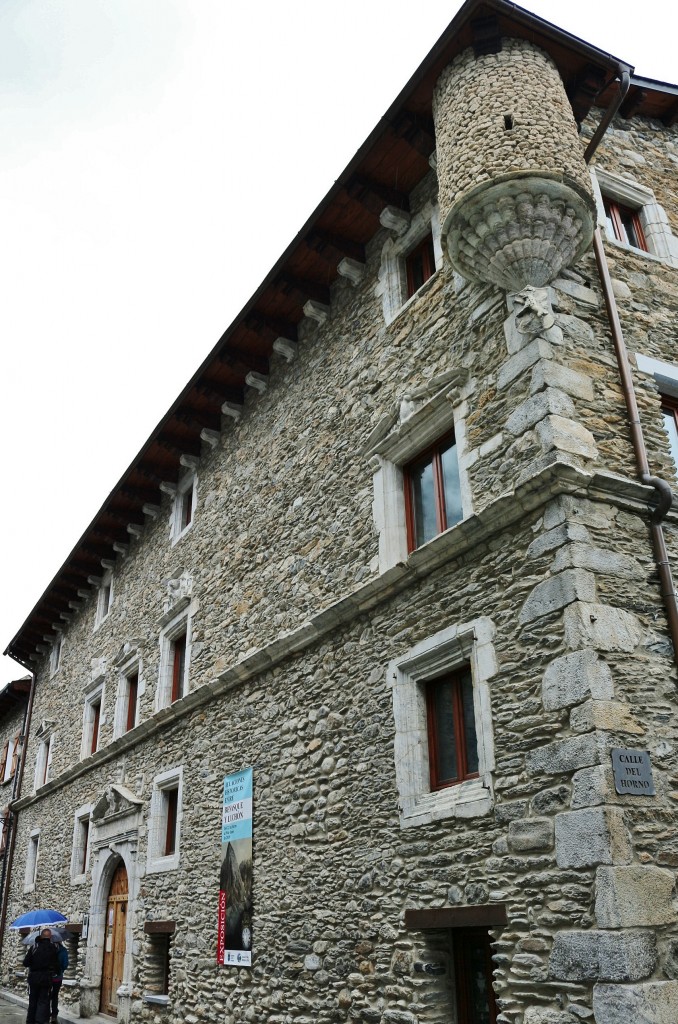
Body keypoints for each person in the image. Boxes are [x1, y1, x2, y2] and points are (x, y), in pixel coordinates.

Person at [23, 928, 59, 1024]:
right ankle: (40, 1021)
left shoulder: (34, 947)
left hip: (34, 977)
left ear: (41, 936)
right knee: (43, 1001)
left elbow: (25, 963)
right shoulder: (54, 948)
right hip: (46, 978)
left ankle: (30, 1021)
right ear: (50, 937)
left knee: (33, 1000)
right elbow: (56, 965)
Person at [49, 938, 69, 1023]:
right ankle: (54, 1016)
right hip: (58, 978)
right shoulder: (63, 950)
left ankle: (46, 1013)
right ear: (60, 941)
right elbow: (65, 964)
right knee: (55, 996)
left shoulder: (48, 949)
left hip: (48, 977)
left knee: (47, 994)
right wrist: (60, 970)